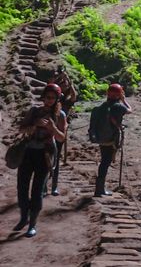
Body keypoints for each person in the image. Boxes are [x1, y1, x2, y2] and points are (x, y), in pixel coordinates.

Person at [14, 83, 66, 236]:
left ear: (57, 99)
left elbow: (62, 137)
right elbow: (21, 129)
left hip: (46, 154)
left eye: (52, 98)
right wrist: (34, 125)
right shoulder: (34, 111)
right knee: (22, 187)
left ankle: (32, 224)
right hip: (28, 152)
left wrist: (52, 128)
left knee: (37, 190)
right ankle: (24, 216)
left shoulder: (60, 115)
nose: (49, 100)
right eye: (47, 97)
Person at [90, 83, 131, 197]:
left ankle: (100, 187)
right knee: (105, 162)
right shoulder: (118, 106)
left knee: (104, 161)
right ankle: (100, 190)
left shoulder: (102, 106)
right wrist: (124, 100)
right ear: (119, 94)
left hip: (101, 138)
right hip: (111, 139)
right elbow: (130, 110)